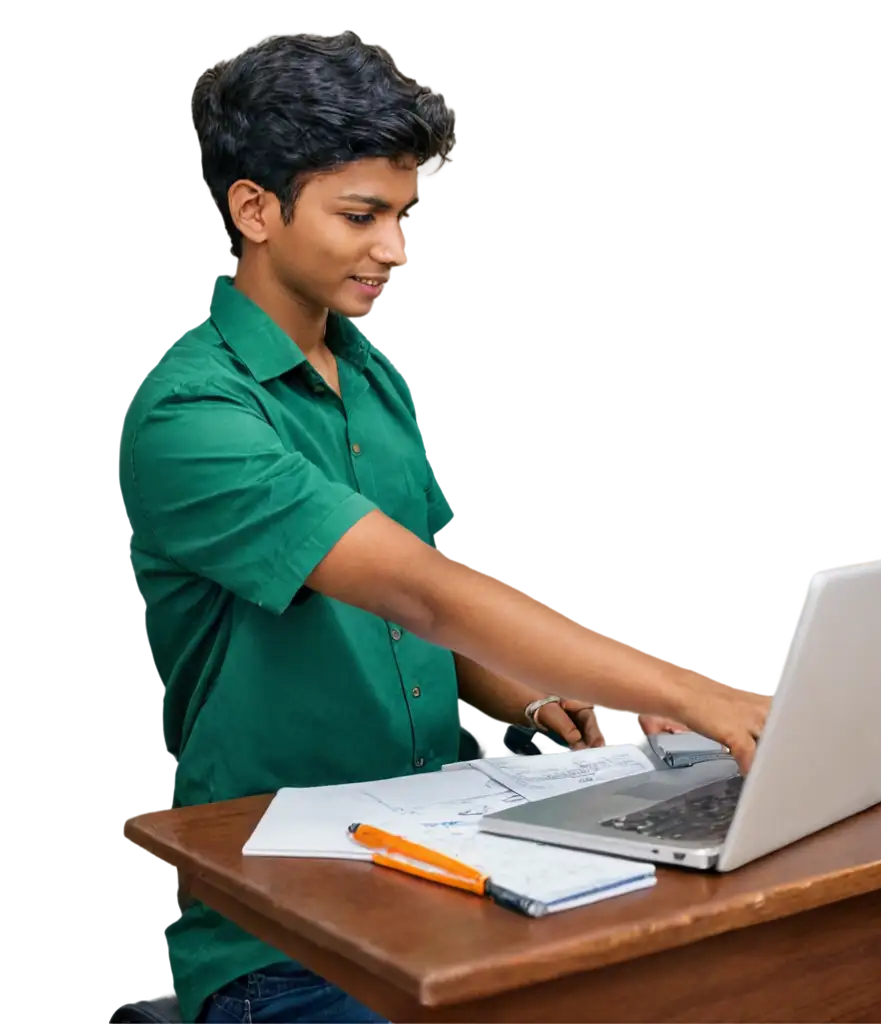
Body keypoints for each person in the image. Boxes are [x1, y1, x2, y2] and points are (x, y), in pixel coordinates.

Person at [115, 28, 770, 1024]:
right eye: (361, 215)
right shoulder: (192, 417)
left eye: (405, 214)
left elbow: (401, 619)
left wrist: (533, 692)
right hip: (284, 941)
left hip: (441, 884)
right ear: (255, 208)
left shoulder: (371, 378)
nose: (395, 249)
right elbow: (414, 586)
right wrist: (691, 685)